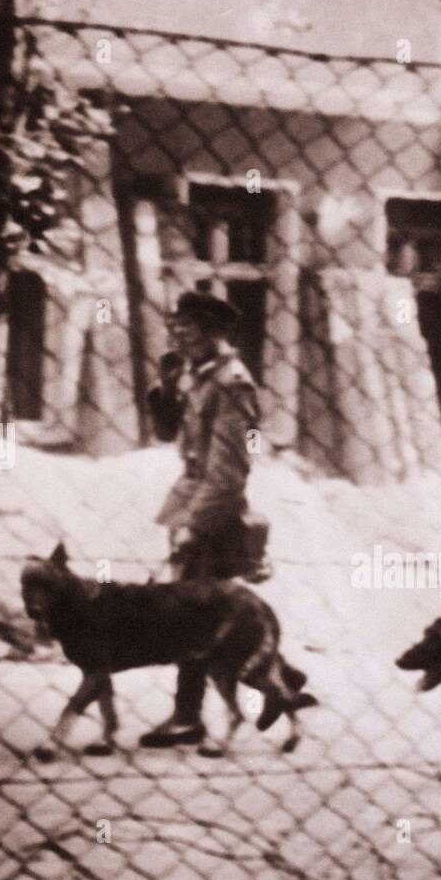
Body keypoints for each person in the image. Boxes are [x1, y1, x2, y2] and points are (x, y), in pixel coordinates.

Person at [141, 291, 270, 749]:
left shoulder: (232, 383)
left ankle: (191, 714)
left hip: (213, 513)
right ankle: (198, 710)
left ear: (212, 331)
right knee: (194, 615)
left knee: (199, 616)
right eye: (174, 325)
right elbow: (166, 434)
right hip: (190, 499)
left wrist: (196, 526)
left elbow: (231, 469)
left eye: (187, 327)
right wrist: (164, 390)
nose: (177, 334)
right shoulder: (198, 376)